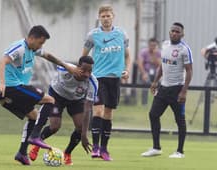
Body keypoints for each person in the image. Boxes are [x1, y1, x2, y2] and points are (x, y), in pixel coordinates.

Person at [0, 25, 77, 165]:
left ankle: (21, 153)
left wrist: (66, 66)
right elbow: (2, 62)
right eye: (40, 42)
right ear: (31, 38)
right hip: (10, 87)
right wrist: (2, 83)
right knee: (50, 100)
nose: (41, 46)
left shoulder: (33, 49)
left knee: (34, 116)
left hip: (5, 91)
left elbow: (48, 56)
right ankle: (36, 136)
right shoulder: (19, 47)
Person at [81, 4, 132, 161]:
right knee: (98, 111)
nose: (105, 18)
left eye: (108, 16)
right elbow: (84, 58)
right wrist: (85, 73)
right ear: (99, 17)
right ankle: (95, 147)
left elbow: (128, 56)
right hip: (97, 78)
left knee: (109, 114)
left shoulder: (121, 34)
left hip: (114, 78)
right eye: (102, 16)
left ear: (113, 16)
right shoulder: (92, 35)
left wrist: (127, 70)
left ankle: (104, 149)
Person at [28, 56, 98, 165]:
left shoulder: (93, 82)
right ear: (78, 67)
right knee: (55, 126)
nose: (87, 74)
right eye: (84, 70)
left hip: (76, 100)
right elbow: (56, 61)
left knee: (80, 127)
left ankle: (68, 153)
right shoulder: (65, 69)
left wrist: (84, 135)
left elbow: (88, 108)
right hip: (57, 96)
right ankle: (37, 144)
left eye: (90, 71)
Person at [141, 22, 193, 158]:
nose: (175, 33)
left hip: (177, 89)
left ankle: (180, 151)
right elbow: (162, 66)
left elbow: (189, 70)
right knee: (153, 115)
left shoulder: (184, 49)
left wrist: (184, 91)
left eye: (177, 32)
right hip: (163, 88)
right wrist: (155, 82)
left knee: (180, 120)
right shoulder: (164, 45)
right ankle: (156, 148)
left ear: (182, 34)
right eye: (173, 31)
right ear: (169, 32)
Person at [137, 38, 161, 105]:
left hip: (155, 73)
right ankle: (144, 103)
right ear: (148, 45)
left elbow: (160, 65)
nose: (152, 47)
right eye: (151, 45)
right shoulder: (143, 52)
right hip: (146, 72)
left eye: (154, 45)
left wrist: (154, 55)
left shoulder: (158, 53)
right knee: (146, 83)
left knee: (159, 84)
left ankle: (157, 103)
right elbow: (140, 64)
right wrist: (144, 73)